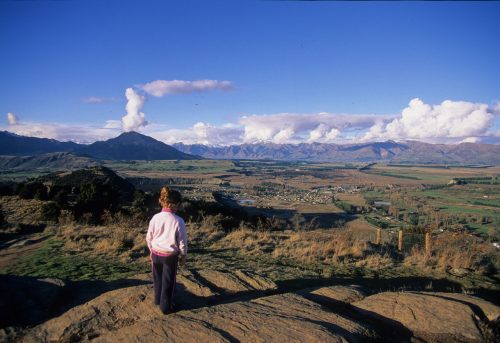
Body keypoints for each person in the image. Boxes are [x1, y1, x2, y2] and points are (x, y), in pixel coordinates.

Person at [146, 186, 187, 314]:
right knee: (169, 282)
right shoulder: (178, 220)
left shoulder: (155, 217)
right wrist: (183, 255)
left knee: (157, 278)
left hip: (155, 253)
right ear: (176, 204)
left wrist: (151, 251)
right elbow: (182, 242)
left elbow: (149, 237)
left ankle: (158, 300)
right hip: (170, 257)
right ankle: (166, 307)